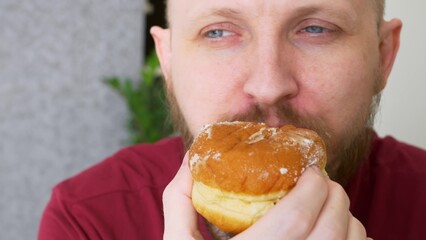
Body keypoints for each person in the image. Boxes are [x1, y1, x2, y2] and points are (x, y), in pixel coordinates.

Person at [38, 0, 426, 239]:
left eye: (316, 29)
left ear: (383, 55)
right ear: (168, 61)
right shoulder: (86, 219)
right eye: (218, 31)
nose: (268, 85)